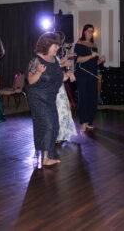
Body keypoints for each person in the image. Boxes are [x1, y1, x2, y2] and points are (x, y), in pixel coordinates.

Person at [27, 32, 75, 167]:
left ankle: (47, 155)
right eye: (55, 46)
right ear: (47, 44)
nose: (57, 48)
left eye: (58, 46)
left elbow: (59, 78)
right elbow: (30, 80)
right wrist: (38, 72)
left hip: (50, 97)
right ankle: (45, 158)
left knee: (55, 125)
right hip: (37, 97)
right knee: (48, 125)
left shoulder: (54, 60)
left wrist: (68, 75)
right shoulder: (36, 60)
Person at [74, 24, 106, 132]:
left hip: (92, 74)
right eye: (88, 31)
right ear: (83, 32)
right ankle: (83, 122)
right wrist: (91, 56)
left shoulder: (94, 45)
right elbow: (77, 60)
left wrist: (100, 60)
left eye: (92, 31)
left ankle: (89, 121)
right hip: (82, 74)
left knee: (92, 98)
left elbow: (94, 63)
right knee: (83, 98)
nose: (90, 33)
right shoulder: (79, 43)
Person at [54, 31, 77, 143]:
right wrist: (65, 68)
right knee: (60, 110)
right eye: (61, 41)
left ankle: (62, 134)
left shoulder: (55, 52)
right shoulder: (50, 52)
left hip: (59, 85)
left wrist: (66, 57)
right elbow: (52, 68)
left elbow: (56, 64)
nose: (61, 44)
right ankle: (58, 135)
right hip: (54, 85)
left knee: (64, 109)